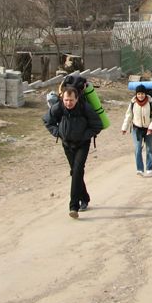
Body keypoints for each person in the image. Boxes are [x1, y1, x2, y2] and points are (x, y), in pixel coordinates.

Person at [44, 85, 104, 218]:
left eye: (71, 100)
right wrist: (58, 133)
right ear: (62, 99)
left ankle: (73, 207)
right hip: (67, 144)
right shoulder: (58, 107)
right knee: (76, 172)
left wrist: (84, 136)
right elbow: (47, 121)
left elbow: (97, 125)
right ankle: (85, 198)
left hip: (82, 144)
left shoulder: (85, 108)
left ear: (77, 99)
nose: (68, 103)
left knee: (77, 171)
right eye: (66, 100)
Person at [121, 84, 152, 176]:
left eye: (142, 94)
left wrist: (151, 128)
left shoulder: (151, 103)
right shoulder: (133, 103)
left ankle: (149, 168)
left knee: (149, 148)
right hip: (137, 128)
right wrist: (124, 128)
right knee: (137, 148)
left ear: (145, 94)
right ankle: (140, 169)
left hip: (149, 129)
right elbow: (128, 116)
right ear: (136, 94)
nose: (140, 96)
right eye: (138, 94)